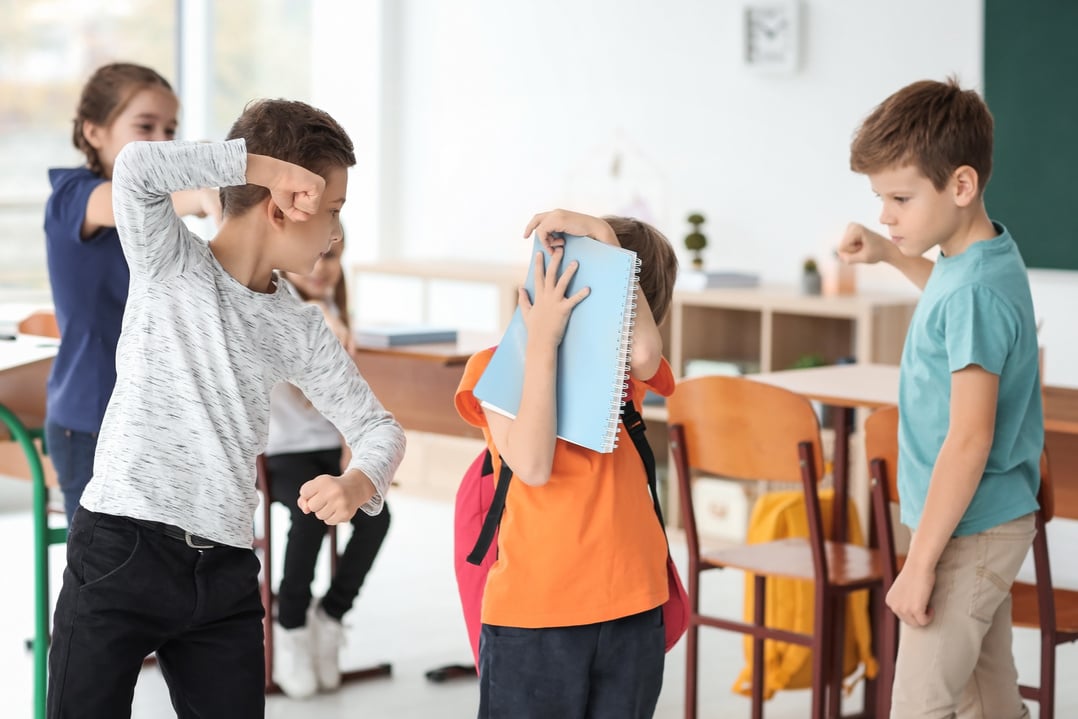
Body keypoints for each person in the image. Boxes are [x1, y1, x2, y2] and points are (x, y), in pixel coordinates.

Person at [46, 99, 406, 719]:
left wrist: (360, 479)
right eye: (334, 211)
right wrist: (260, 164)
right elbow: (135, 168)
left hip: (226, 577)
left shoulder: (299, 325)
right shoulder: (169, 259)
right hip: (119, 552)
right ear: (283, 202)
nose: (336, 233)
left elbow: (379, 428)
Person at [838, 78, 1042, 718]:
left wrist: (919, 564)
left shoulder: (973, 294)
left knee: (920, 704)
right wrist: (890, 256)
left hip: (964, 531)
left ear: (960, 186)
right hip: (980, 519)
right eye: (879, 200)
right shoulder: (979, 259)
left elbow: (969, 436)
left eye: (899, 199)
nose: (885, 215)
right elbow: (952, 292)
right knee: (988, 697)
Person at [454, 209, 679, 718]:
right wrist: (542, 342)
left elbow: (643, 348)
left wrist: (605, 244)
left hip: (633, 607)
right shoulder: (494, 368)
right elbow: (532, 464)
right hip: (536, 615)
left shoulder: (627, 374)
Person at [44, 61, 221, 524]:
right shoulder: (73, 196)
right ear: (95, 131)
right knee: (104, 574)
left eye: (171, 129)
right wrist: (200, 195)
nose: (162, 141)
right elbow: (124, 202)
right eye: (145, 126)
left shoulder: (162, 225)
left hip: (154, 419)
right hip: (89, 421)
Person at [264, 231, 391, 698]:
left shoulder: (337, 314)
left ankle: (331, 615)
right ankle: (291, 623)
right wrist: (319, 321)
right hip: (279, 455)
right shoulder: (278, 306)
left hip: (326, 453)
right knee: (311, 512)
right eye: (315, 256)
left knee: (378, 518)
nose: (323, 267)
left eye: (333, 256)